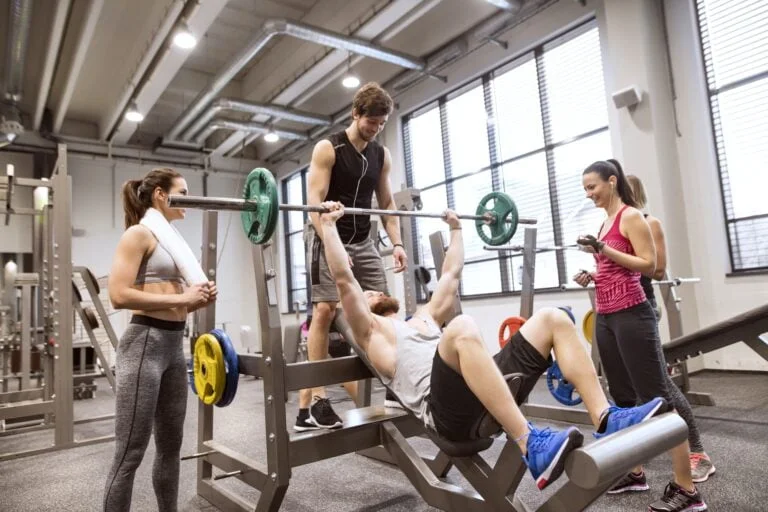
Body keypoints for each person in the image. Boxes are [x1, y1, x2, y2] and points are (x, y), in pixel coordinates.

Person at [318, 200, 668, 491]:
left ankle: (604, 416)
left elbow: (451, 275)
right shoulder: (372, 334)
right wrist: (330, 226)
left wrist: (456, 229)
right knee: (461, 326)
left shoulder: (423, 317)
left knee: (552, 318)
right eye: (368, 293)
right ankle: (529, 442)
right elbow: (344, 280)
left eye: (375, 289)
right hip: (446, 415)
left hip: (483, 386)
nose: (373, 292)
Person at [574, 160, 707, 512]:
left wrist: (602, 249)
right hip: (606, 315)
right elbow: (614, 267)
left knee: (657, 398)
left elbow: (649, 265)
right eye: (585, 188)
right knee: (622, 397)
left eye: (592, 187)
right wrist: (593, 273)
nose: (588, 194)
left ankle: (687, 489)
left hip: (634, 314)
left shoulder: (631, 216)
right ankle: (634, 471)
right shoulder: (604, 222)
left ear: (612, 182)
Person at [103, 168, 217, 512]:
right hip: (144, 346)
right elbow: (118, 295)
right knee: (130, 453)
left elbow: (174, 292)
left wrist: (199, 294)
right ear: (160, 195)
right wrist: (184, 299)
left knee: (171, 448)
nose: (189, 198)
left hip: (173, 348)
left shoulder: (172, 239)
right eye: (182, 192)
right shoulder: (139, 234)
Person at [296, 82, 408, 431]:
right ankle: (317, 400)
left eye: (382, 123)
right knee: (325, 310)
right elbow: (313, 202)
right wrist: (332, 243)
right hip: (325, 234)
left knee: (386, 308)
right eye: (371, 122)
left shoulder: (380, 155)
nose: (376, 129)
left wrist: (397, 243)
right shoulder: (329, 149)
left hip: (364, 239)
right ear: (355, 114)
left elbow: (387, 203)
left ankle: (394, 384)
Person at [626, 174, 715, 483]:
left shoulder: (649, 223)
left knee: (659, 382)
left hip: (643, 306)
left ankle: (698, 453)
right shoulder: (617, 225)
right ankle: (638, 455)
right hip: (619, 310)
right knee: (633, 386)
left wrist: (617, 258)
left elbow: (659, 268)